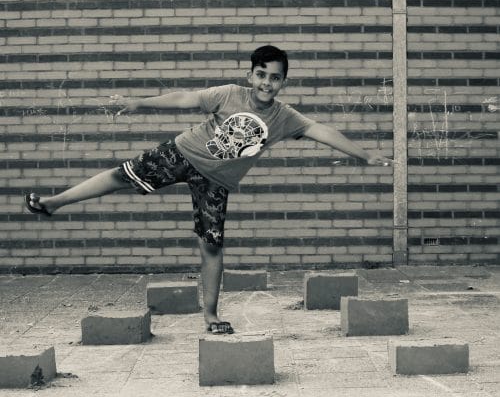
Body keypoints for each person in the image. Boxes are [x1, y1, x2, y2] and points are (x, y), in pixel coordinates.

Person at [25, 45, 393, 334]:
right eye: (261, 75)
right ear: (250, 75)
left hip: (216, 182)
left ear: (283, 82)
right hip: (182, 153)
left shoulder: (284, 117)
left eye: (275, 78)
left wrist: (364, 155)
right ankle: (54, 203)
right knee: (122, 176)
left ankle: (211, 315)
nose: (266, 83)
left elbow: (321, 131)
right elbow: (184, 98)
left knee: (212, 244)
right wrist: (140, 102)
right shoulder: (229, 94)